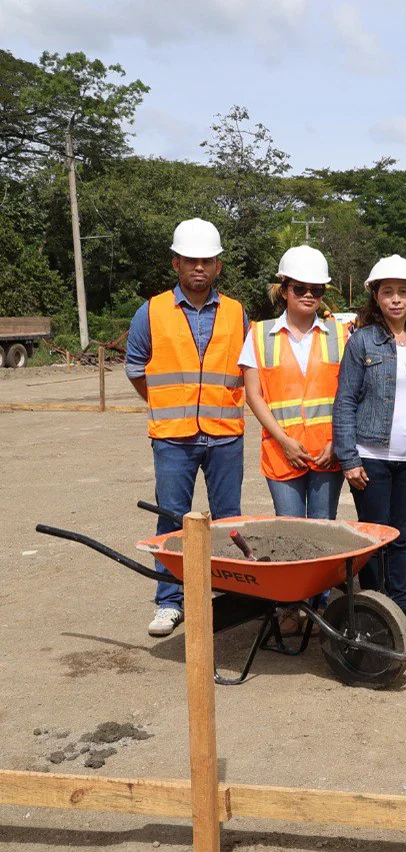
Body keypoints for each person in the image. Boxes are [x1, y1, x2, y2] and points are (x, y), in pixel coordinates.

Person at [126, 218, 248, 637]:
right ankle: (169, 602)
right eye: (191, 260)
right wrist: (165, 403)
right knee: (172, 520)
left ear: (218, 266)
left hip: (225, 435)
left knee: (230, 520)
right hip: (172, 439)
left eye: (207, 260)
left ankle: (229, 598)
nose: (199, 267)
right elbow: (136, 368)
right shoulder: (152, 310)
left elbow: (246, 371)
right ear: (176, 263)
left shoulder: (236, 312)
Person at [332, 255, 406, 648]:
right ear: (375, 297)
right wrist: (349, 458)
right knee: (374, 539)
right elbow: (344, 402)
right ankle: (373, 609)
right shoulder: (362, 341)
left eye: (402, 292)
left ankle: (398, 607)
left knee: (400, 537)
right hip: (372, 457)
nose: (395, 299)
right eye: (387, 292)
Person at [240, 245, 347, 631]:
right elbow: (254, 395)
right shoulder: (258, 335)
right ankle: (290, 607)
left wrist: (338, 442)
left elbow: (350, 394)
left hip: (327, 453)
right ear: (283, 288)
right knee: (289, 533)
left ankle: (320, 607)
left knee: (321, 531)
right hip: (281, 453)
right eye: (300, 287)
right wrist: (284, 440)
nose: (309, 295)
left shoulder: (340, 333)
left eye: (316, 289)